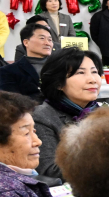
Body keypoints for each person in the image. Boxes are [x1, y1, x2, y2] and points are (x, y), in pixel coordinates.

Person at [33, 46, 103, 181]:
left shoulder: (101, 113)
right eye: (80, 73)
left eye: (95, 72)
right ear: (58, 83)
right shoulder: (42, 117)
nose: (92, 79)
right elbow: (49, 170)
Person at [0, 23, 55, 99]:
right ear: (26, 42)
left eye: (50, 40)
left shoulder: (60, 66)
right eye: (42, 38)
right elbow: (11, 102)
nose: (47, 43)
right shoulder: (8, 71)